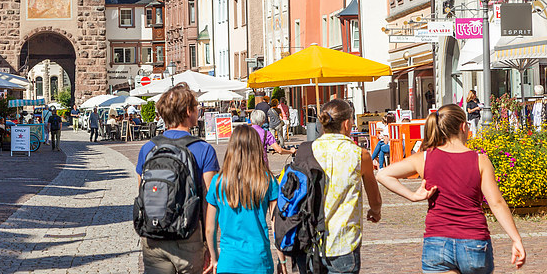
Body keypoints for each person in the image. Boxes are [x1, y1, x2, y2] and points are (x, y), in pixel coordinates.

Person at [376, 104, 526, 273]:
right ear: (463, 126)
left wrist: (412, 196)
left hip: (437, 241)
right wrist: (516, 239)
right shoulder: (479, 160)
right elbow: (497, 203)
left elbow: (383, 175)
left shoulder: (424, 158)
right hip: (473, 240)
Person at [137, 84, 219, 273]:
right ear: (188, 111)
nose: (198, 111)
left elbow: (142, 194)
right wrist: (210, 245)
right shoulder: (204, 149)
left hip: (153, 236)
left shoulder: (148, 149)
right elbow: (210, 203)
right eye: (196, 107)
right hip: (188, 236)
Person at [299, 100, 383, 274]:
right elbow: (374, 197)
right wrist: (375, 211)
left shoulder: (308, 150)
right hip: (344, 241)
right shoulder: (360, 154)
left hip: (311, 240)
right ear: (346, 124)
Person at [205, 125, 286, 274]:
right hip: (259, 260)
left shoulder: (218, 182)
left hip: (228, 261)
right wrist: (282, 261)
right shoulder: (267, 180)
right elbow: (277, 226)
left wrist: (214, 258)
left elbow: (210, 228)